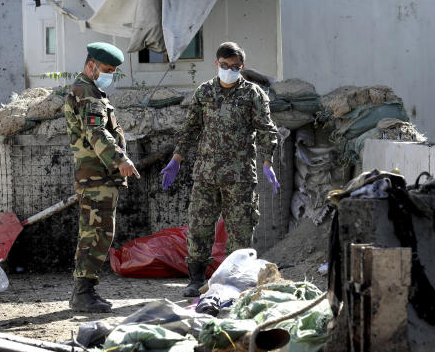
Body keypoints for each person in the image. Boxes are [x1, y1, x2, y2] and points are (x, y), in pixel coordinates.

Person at [160, 41, 280, 297]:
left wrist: (267, 161)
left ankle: (235, 282)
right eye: (224, 65)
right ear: (217, 64)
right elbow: (191, 128)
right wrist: (177, 158)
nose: (229, 70)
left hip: (239, 176)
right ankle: (195, 280)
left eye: (234, 67)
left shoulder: (253, 94)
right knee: (199, 227)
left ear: (242, 66)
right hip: (206, 173)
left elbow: (266, 129)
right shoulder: (204, 92)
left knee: (240, 229)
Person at [63, 42, 140, 312]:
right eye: (106, 69)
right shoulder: (87, 93)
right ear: (91, 65)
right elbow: (97, 133)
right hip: (96, 177)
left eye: (112, 71)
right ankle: (83, 293)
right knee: (95, 233)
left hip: (97, 177)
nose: (109, 74)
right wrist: (120, 159)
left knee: (97, 232)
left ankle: (85, 291)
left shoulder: (92, 91)